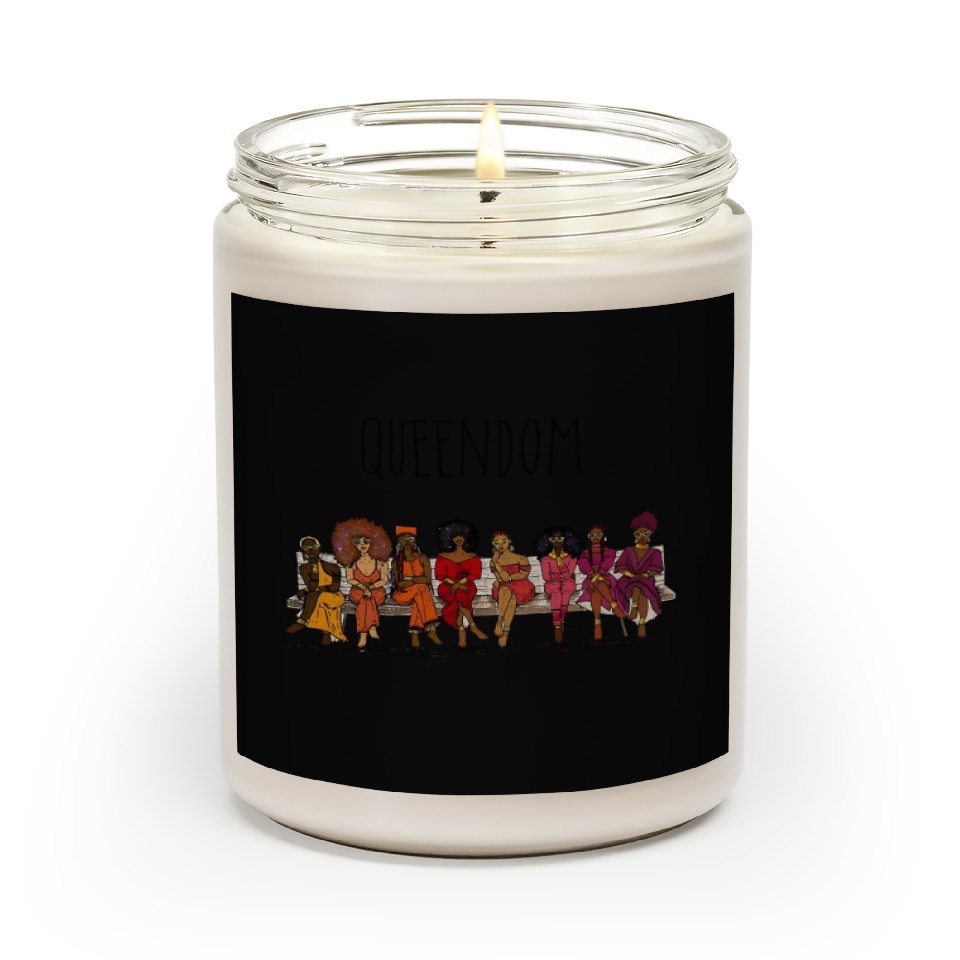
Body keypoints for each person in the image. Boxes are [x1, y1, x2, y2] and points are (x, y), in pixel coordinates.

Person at [332, 518, 391, 649]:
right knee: (365, 599)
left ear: (374, 542)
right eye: (357, 541)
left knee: (367, 600)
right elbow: (350, 579)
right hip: (357, 591)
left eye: (366, 541)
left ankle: (363, 634)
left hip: (377, 592)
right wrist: (364, 588)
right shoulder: (351, 562)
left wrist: (371, 588)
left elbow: (384, 580)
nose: (362, 544)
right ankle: (371, 628)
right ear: (351, 544)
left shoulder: (380, 562)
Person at [435, 520, 489, 647]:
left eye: (462, 536)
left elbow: (474, 574)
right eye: (455, 536)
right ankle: (473, 626)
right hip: (447, 587)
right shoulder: (442, 556)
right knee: (459, 595)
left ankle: (462, 631)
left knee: (459, 596)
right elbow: (440, 576)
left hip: (467, 586)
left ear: (467, 538)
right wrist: (455, 584)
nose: (459, 538)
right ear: (449, 538)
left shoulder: (473, 556)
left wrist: (459, 583)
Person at [286, 536, 346, 644]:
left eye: (313, 546)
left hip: (335, 596)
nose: (310, 550)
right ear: (303, 551)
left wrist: (308, 590)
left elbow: (334, 587)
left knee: (316, 595)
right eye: (306, 548)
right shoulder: (303, 568)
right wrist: (314, 568)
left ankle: (302, 620)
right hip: (318, 596)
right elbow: (312, 586)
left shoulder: (333, 567)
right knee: (319, 598)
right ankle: (326, 633)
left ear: (319, 548)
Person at [614, 512, 664, 638]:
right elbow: (620, 567)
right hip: (628, 579)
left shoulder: (655, 552)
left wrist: (646, 574)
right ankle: (641, 622)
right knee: (638, 585)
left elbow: (657, 568)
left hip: (646, 579)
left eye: (645, 533)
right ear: (635, 536)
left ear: (650, 535)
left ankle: (637, 611)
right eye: (638, 534)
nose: (642, 536)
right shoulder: (628, 551)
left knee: (640, 587)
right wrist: (631, 575)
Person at [391, 526, 442, 649]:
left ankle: (415, 633)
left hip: (418, 593)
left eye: (410, 538)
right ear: (399, 542)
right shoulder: (397, 561)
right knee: (422, 588)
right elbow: (400, 584)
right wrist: (417, 580)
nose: (407, 541)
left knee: (419, 597)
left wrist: (411, 579)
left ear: (414, 542)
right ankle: (432, 629)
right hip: (401, 595)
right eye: (403, 538)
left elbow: (428, 579)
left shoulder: (422, 557)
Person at [576, 524, 626, 640]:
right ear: (588, 537)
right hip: (591, 578)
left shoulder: (609, 551)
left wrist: (596, 577)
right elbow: (584, 566)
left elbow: (607, 564)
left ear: (603, 536)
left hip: (605, 577)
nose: (595, 537)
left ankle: (597, 622)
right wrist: (593, 576)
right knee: (597, 590)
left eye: (598, 534)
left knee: (600, 584)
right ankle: (613, 606)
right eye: (592, 535)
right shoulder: (584, 553)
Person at [535, 527, 581, 644]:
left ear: (565, 540)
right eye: (553, 539)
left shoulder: (571, 557)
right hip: (551, 585)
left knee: (566, 591)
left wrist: (560, 564)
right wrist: (560, 576)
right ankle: (557, 625)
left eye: (560, 538)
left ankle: (562, 620)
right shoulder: (545, 558)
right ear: (549, 541)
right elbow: (546, 577)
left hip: (568, 583)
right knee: (556, 593)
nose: (557, 541)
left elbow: (568, 575)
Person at [490, 530, 535, 647]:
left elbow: (523, 574)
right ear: (493, 544)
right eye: (496, 542)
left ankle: (500, 622)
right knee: (509, 594)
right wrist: (495, 563)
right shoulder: (493, 561)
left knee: (509, 592)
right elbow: (501, 578)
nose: (500, 545)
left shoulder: (520, 557)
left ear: (509, 541)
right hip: (504, 588)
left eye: (504, 541)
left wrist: (508, 577)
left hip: (521, 586)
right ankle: (505, 630)